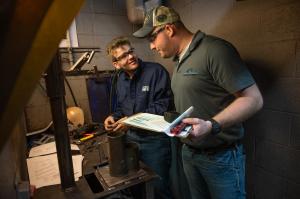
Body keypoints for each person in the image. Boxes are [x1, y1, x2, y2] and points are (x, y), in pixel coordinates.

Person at [133, 6, 263, 199]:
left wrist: (212, 125)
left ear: (169, 29)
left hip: (220, 157)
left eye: (152, 38)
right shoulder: (179, 59)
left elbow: (253, 99)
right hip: (190, 152)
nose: (151, 46)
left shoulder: (215, 50)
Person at [104, 36, 173, 199]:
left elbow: (164, 105)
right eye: (123, 56)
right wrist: (113, 116)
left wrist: (130, 121)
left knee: (158, 188)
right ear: (116, 64)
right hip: (130, 141)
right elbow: (123, 107)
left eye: (131, 51)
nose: (131, 57)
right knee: (135, 184)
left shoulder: (156, 71)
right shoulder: (120, 79)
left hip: (154, 141)